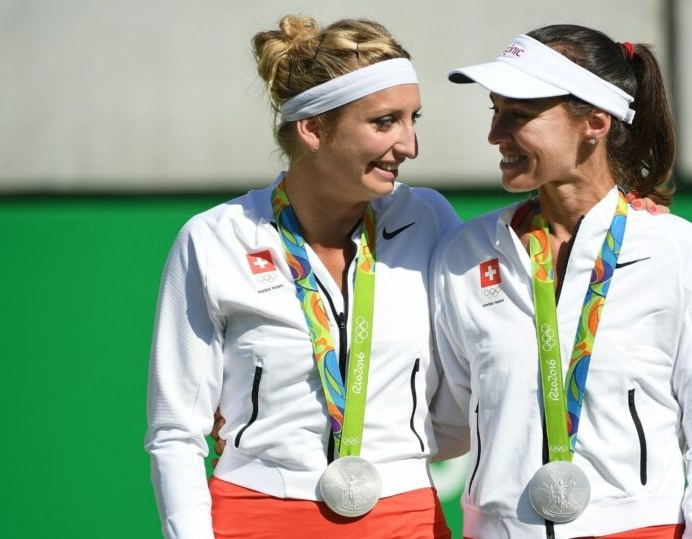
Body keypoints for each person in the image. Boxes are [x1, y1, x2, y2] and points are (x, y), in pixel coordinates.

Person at [144, 15, 462, 538]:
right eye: (385, 122)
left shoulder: (428, 220)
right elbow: (175, 431)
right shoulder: (216, 238)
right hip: (256, 517)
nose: (410, 146)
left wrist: (627, 219)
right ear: (312, 129)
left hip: (407, 517)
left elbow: (484, 371)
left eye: (413, 119)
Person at [429, 24, 692, 539]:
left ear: (595, 122)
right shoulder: (463, 253)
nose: (495, 134)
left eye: (519, 115)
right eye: (495, 111)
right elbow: (445, 424)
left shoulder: (682, 253)